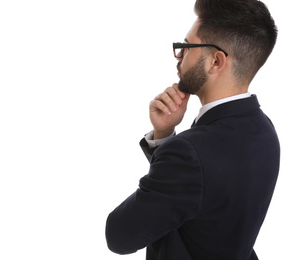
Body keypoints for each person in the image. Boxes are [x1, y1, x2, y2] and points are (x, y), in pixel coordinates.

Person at [105, 0, 280, 259]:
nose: (180, 56)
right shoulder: (264, 129)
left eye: (186, 46)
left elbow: (119, 236)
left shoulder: (189, 152)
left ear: (216, 61)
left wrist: (170, 145)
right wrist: (164, 135)